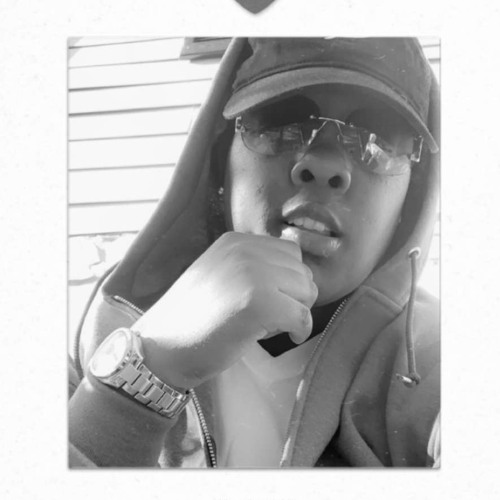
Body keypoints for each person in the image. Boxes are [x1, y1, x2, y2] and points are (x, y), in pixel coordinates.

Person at [68, 37, 440, 468]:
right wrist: (143, 372)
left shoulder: (440, 358)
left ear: (409, 203)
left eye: (381, 139)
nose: (324, 165)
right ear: (218, 164)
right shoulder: (104, 322)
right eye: (279, 120)